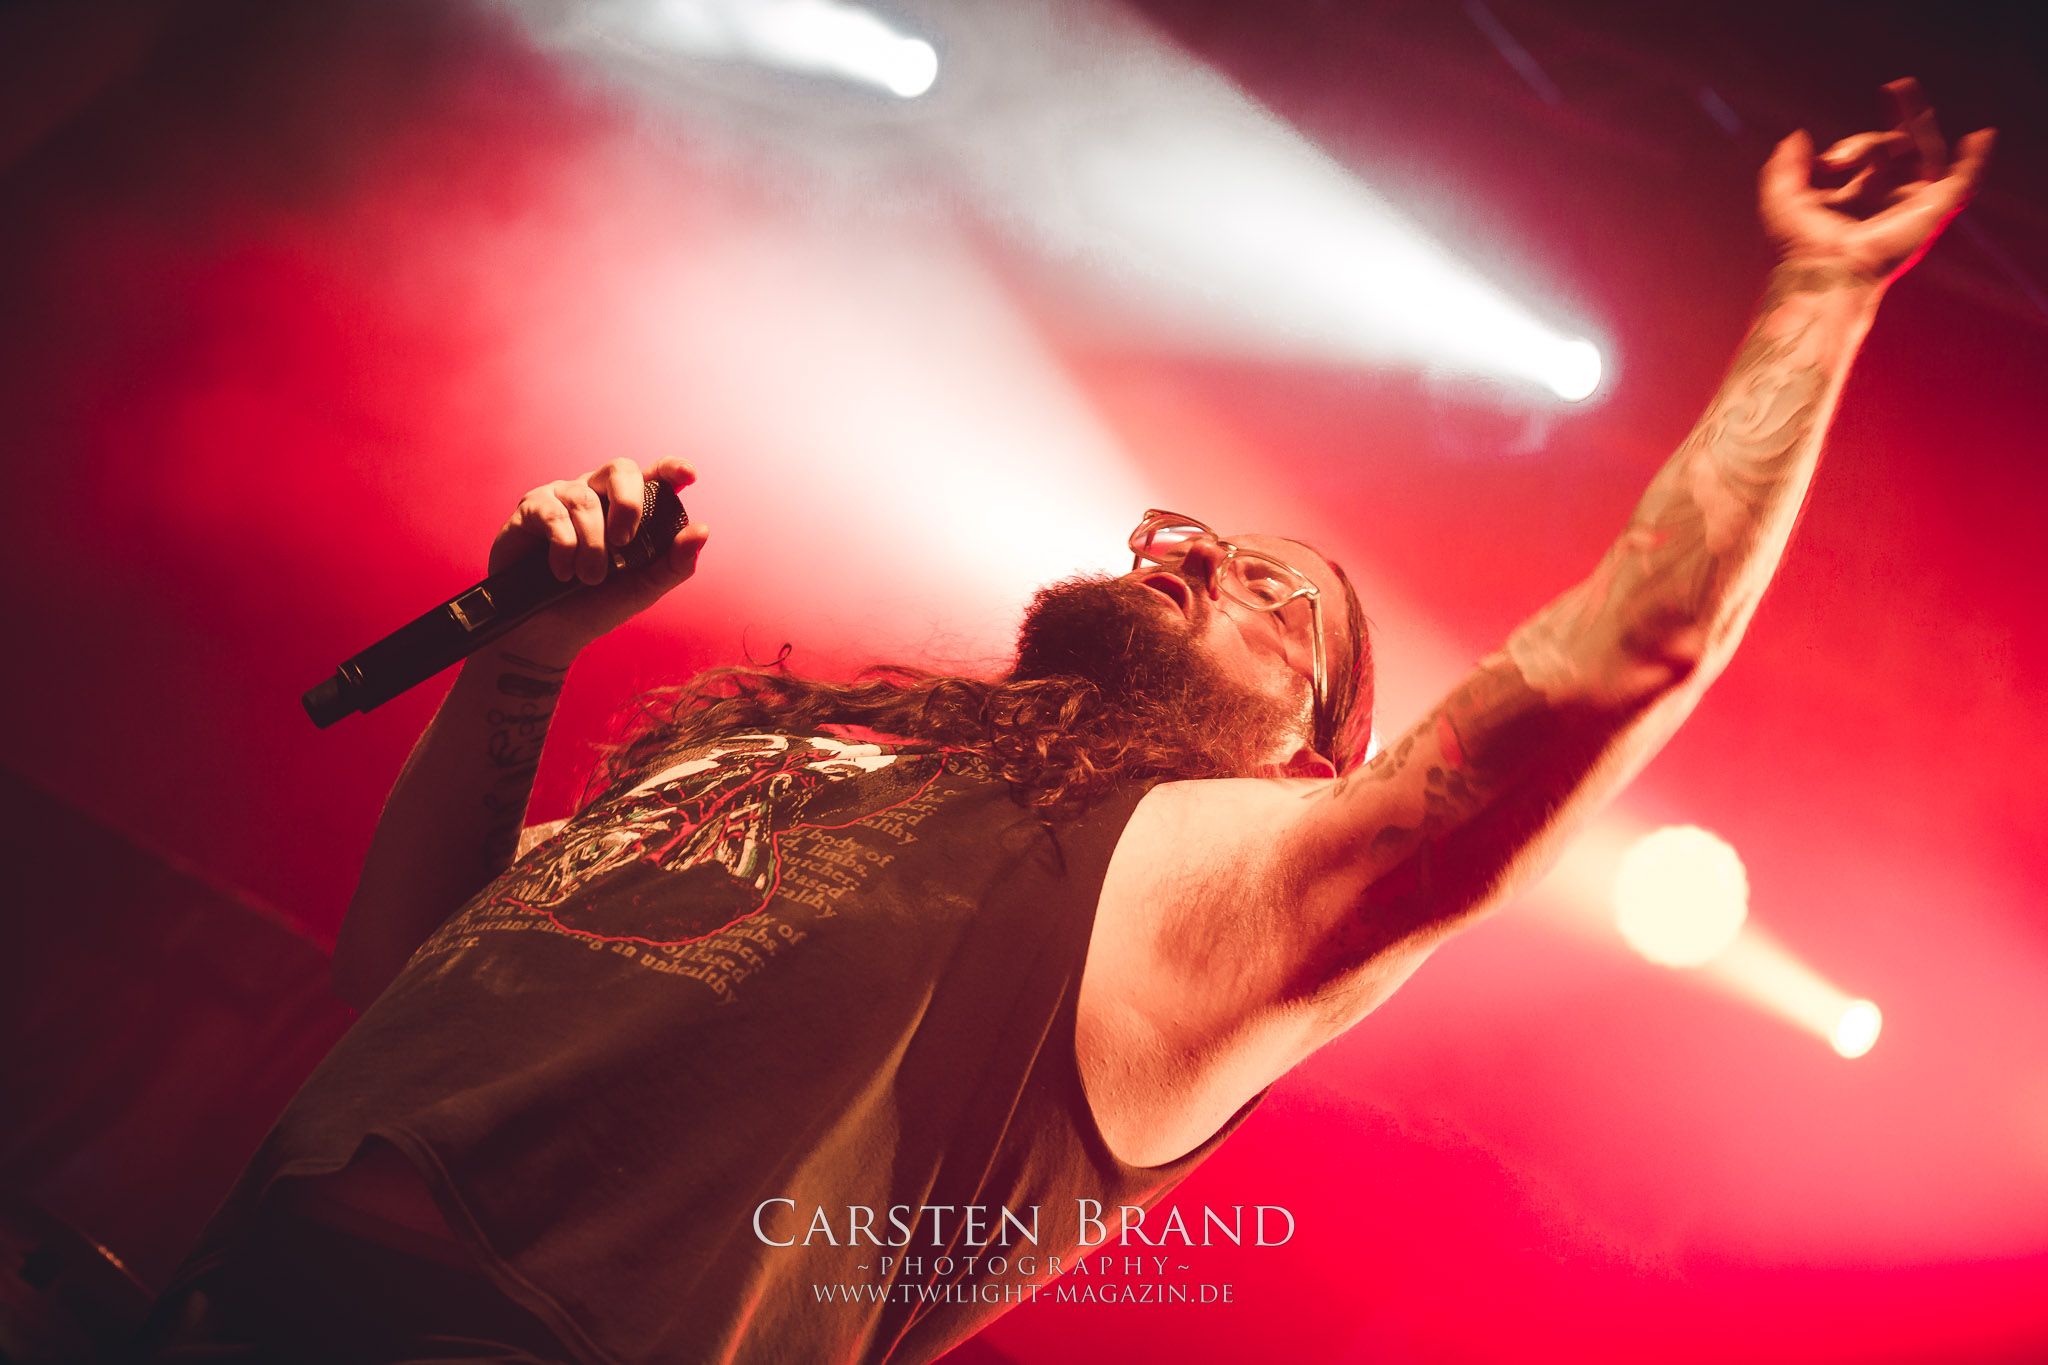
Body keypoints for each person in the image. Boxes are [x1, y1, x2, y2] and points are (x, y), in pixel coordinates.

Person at [132, 79, 1991, 1363]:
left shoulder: (1204, 883)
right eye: (1195, 539)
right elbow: (402, 966)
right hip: (225, 1286)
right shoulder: (816, 755)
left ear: (1312, 758)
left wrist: (1821, 292)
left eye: (1273, 595)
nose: (1198, 559)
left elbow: (1604, 667)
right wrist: (525, 659)